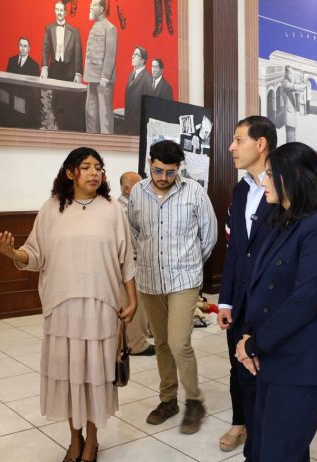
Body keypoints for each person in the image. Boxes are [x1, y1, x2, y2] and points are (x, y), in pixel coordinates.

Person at [0, 147, 137, 462]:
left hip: (100, 306)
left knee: (94, 376)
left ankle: (92, 440)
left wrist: (132, 299)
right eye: (86, 167)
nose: (94, 172)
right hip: (62, 307)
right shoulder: (50, 209)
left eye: (98, 167)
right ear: (70, 173)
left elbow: (125, 257)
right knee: (70, 375)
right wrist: (12, 253)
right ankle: (75, 438)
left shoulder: (112, 209)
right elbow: (35, 254)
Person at [236, 141, 317, 462]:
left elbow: (304, 301)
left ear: (292, 176)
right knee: (262, 447)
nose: (264, 180)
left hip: (302, 362)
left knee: (281, 452)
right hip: (274, 354)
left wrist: (254, 344)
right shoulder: (283, 220)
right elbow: (261, 288)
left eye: (270, 174)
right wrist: (248, 335)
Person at [128, 140, 217, 434]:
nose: (164, 177)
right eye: (158, 171)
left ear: (178, 168)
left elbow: (209, 235)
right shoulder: (137, 193)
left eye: (170, 172)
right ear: (149, 164)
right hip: (150, 280)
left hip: (184, 280)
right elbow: (134, 233)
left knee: (179, 343)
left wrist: (190, 263)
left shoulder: (194, 192)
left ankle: (194, 401)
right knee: (163, 343)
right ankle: (168, 400)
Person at [217, 116, 277, 458]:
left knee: (266, 373)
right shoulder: (241, 190)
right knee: (239, 367)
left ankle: (264, 435)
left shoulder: (285, 189)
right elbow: (235, 250)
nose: (231, 147)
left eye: (239, 140)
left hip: (271, 305)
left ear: (261, 143)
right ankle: (241, 423)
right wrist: (225, 301)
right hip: (240, 302)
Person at [118, 171, 155, 356]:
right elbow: (140, 240)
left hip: (126, 264)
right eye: (139, 185)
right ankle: (136, 344)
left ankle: (130, 341)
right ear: (127, 189)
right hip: (133, 263)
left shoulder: (119, 205)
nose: (144, 188)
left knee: (130, 304)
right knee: (136, 305)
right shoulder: (127, 209)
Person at [84, 0, 118, 134]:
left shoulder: (110, 28)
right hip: (92, 78)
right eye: (91, 4)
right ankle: (91, 141)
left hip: (103, 81)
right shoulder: (95, 26)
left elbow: (110, 55)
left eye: (94, 5)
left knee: (104, 116)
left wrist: (104, 77)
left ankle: (107, 143)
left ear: (102, 9)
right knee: (90, 113)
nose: (90, 7)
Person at [41, 1, 83, 82]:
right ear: (54, 11)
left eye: (61, 10)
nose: (59, 13)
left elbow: (78, 54)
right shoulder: (49, 28)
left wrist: (78, 73)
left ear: (65, 13)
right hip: (53, 70)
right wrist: (44, 68)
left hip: (69, 72)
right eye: (57, 10)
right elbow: (46, 50)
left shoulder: (74, 32)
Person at [124, 47, 152, 135]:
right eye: (133, 54)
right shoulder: (131, 74)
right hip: (129, 123)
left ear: (143, 60)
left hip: (139, 126)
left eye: (136, 55)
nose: (132, 56)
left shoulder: (148, 78)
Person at [281, 65, 305, 142]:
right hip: (289, 114)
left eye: (292, 73)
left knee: (292, 138)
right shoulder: (285, 83)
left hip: (291, 114)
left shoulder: (288, 82)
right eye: (290, 73)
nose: (292, 75)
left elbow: (295, 86)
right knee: (290, 139)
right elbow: (293, 87)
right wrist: (303, 86)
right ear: (286, 73)